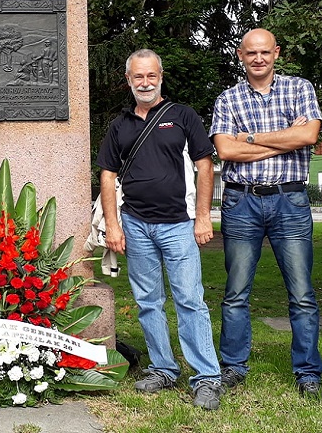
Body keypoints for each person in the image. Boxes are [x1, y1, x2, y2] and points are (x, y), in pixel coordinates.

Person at [96, 49, 225, 410]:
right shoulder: (120, 124)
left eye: (151, 76)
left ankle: (207, 378)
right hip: (135, 226)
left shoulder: (182, 116)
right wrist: (113, 225)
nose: (145, 83)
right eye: (138, 77)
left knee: (190, 301)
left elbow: (204, 166)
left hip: (179, 226)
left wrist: (202, 217)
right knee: (148, 302)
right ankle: (163, 368)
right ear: (129, 81)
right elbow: (107, 175)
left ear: (161, 76)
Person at [209, 28, 322, 396]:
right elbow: (225, 151)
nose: (258, 59)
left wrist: (250, 138)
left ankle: (307, 372)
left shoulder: (300, 88)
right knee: (236, 292)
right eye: (250, 53)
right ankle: (233, 366)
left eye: (264, 52)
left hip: (289, 201)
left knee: (302, 293)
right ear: (240, 56)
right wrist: (282, 138)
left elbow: (307, 137)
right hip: (241, 202)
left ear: (276, 52)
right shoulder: (227, 98)